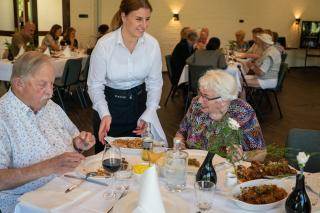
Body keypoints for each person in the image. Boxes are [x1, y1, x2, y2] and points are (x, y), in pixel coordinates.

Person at [0, 51, 95, 213]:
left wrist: (78, 144)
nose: (50, 92)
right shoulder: (3, 117)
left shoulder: (50, 105)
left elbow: (73, 138)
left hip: (70, 187)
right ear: (18, 84)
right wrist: (48, 166)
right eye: (42, 84)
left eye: (51, 84)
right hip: (29, 202)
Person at [87, 0, 166, 154]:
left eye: (147, 19)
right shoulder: (104, 45)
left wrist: (149, 112)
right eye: (138, 19)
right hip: (109, 106)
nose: (144, 25)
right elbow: (95, 85)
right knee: (107, 157)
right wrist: (104, 113)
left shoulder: (152, 45)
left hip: (139, 105)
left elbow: (155, 83)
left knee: (139, 156)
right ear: (123, 16)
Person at [175, 70, 266, 162]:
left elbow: (261, 153)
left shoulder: (242, 111)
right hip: (194, 163)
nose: (199, 100)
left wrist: (243, 156)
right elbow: (181, 132)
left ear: (223, 100)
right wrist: (179, 143)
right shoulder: (196, 104)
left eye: (205, 96)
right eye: (200, 94)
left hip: (228, 170)